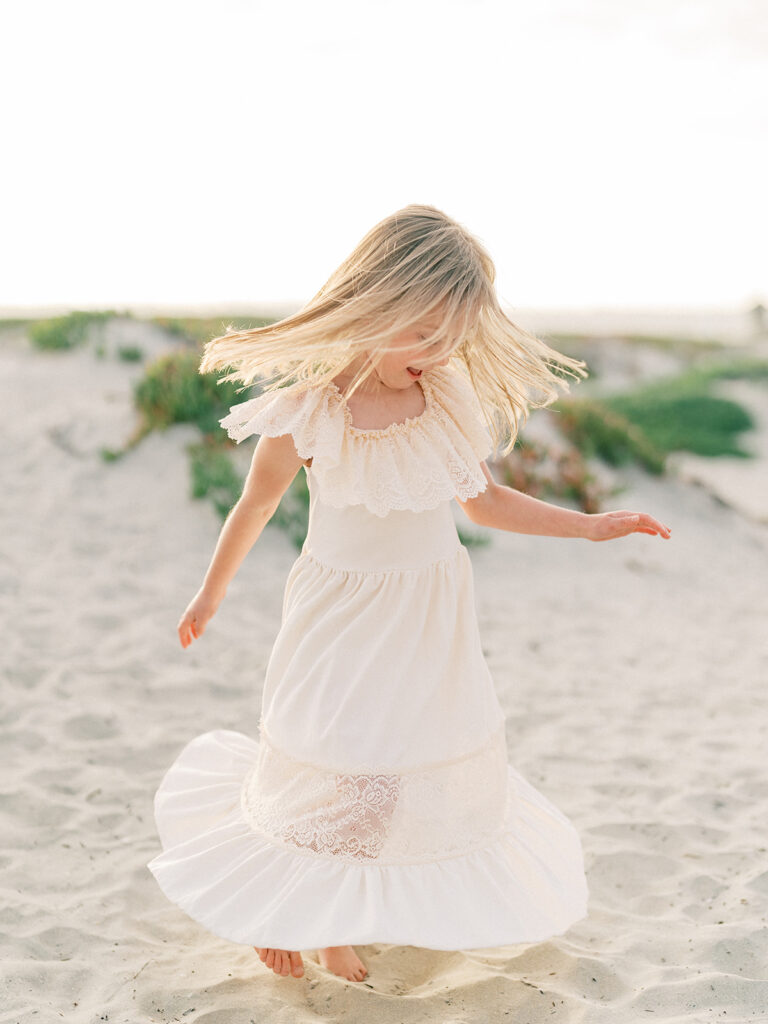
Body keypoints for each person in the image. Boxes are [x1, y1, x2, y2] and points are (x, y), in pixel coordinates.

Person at [147, 204, 670, 984]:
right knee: (331, 757)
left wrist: (589, 527)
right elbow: (254, 505)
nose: (439, 351)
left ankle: (331, 919)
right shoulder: (309, 411)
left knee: (391, 769)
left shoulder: (447, 401)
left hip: (427, 617)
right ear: (375, 302)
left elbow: (484, 503)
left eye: (453, 336)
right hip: (340, 614)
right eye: (423, 331)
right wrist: (209, 593)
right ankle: (292, 905)